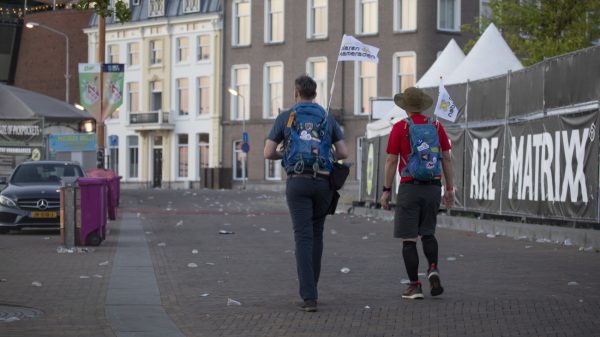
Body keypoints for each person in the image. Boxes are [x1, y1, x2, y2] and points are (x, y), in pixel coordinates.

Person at [264, 75, 348, 312]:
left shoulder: (286, 117)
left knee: (303, 237)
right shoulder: (326, 117)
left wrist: (287, 153)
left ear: (295, 93)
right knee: (317, 235)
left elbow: (268, 152)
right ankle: (313, 289)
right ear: (315, 94)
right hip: (322, 182)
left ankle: (308, 296)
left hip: (297, 182)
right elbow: (343, 151)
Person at [380, 87, 454, 300]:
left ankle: (415, 285)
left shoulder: (400, 127)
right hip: (432, 186)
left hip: (410, 188)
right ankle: (432, 268)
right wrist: (449, 189)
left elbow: (391, 160)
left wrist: (386, 190)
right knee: (428, 233)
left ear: (406, 107)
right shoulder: (436, 126)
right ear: (422, 106)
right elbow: (446, 158)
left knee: (409, 239)